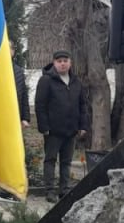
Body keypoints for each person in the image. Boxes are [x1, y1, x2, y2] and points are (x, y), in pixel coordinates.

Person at [34, 50, 88, 202]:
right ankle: (50, 191)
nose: (62, 64)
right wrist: (44, 127)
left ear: (70, 63)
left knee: (66, 162)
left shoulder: (76, 82)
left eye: (65, 61)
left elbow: (82, 105)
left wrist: (83, 126)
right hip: (53, 131)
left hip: (71, 130)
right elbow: (40, 105)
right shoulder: (46, 81)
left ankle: (64, 190)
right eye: (59, 61)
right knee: (50, 160)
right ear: (54, 63)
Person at [12, 45, 29, 128]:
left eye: (10, 48)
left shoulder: (18, 70)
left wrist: (25, 118)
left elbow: (24, 95)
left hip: (15, 116)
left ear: (13, 51)